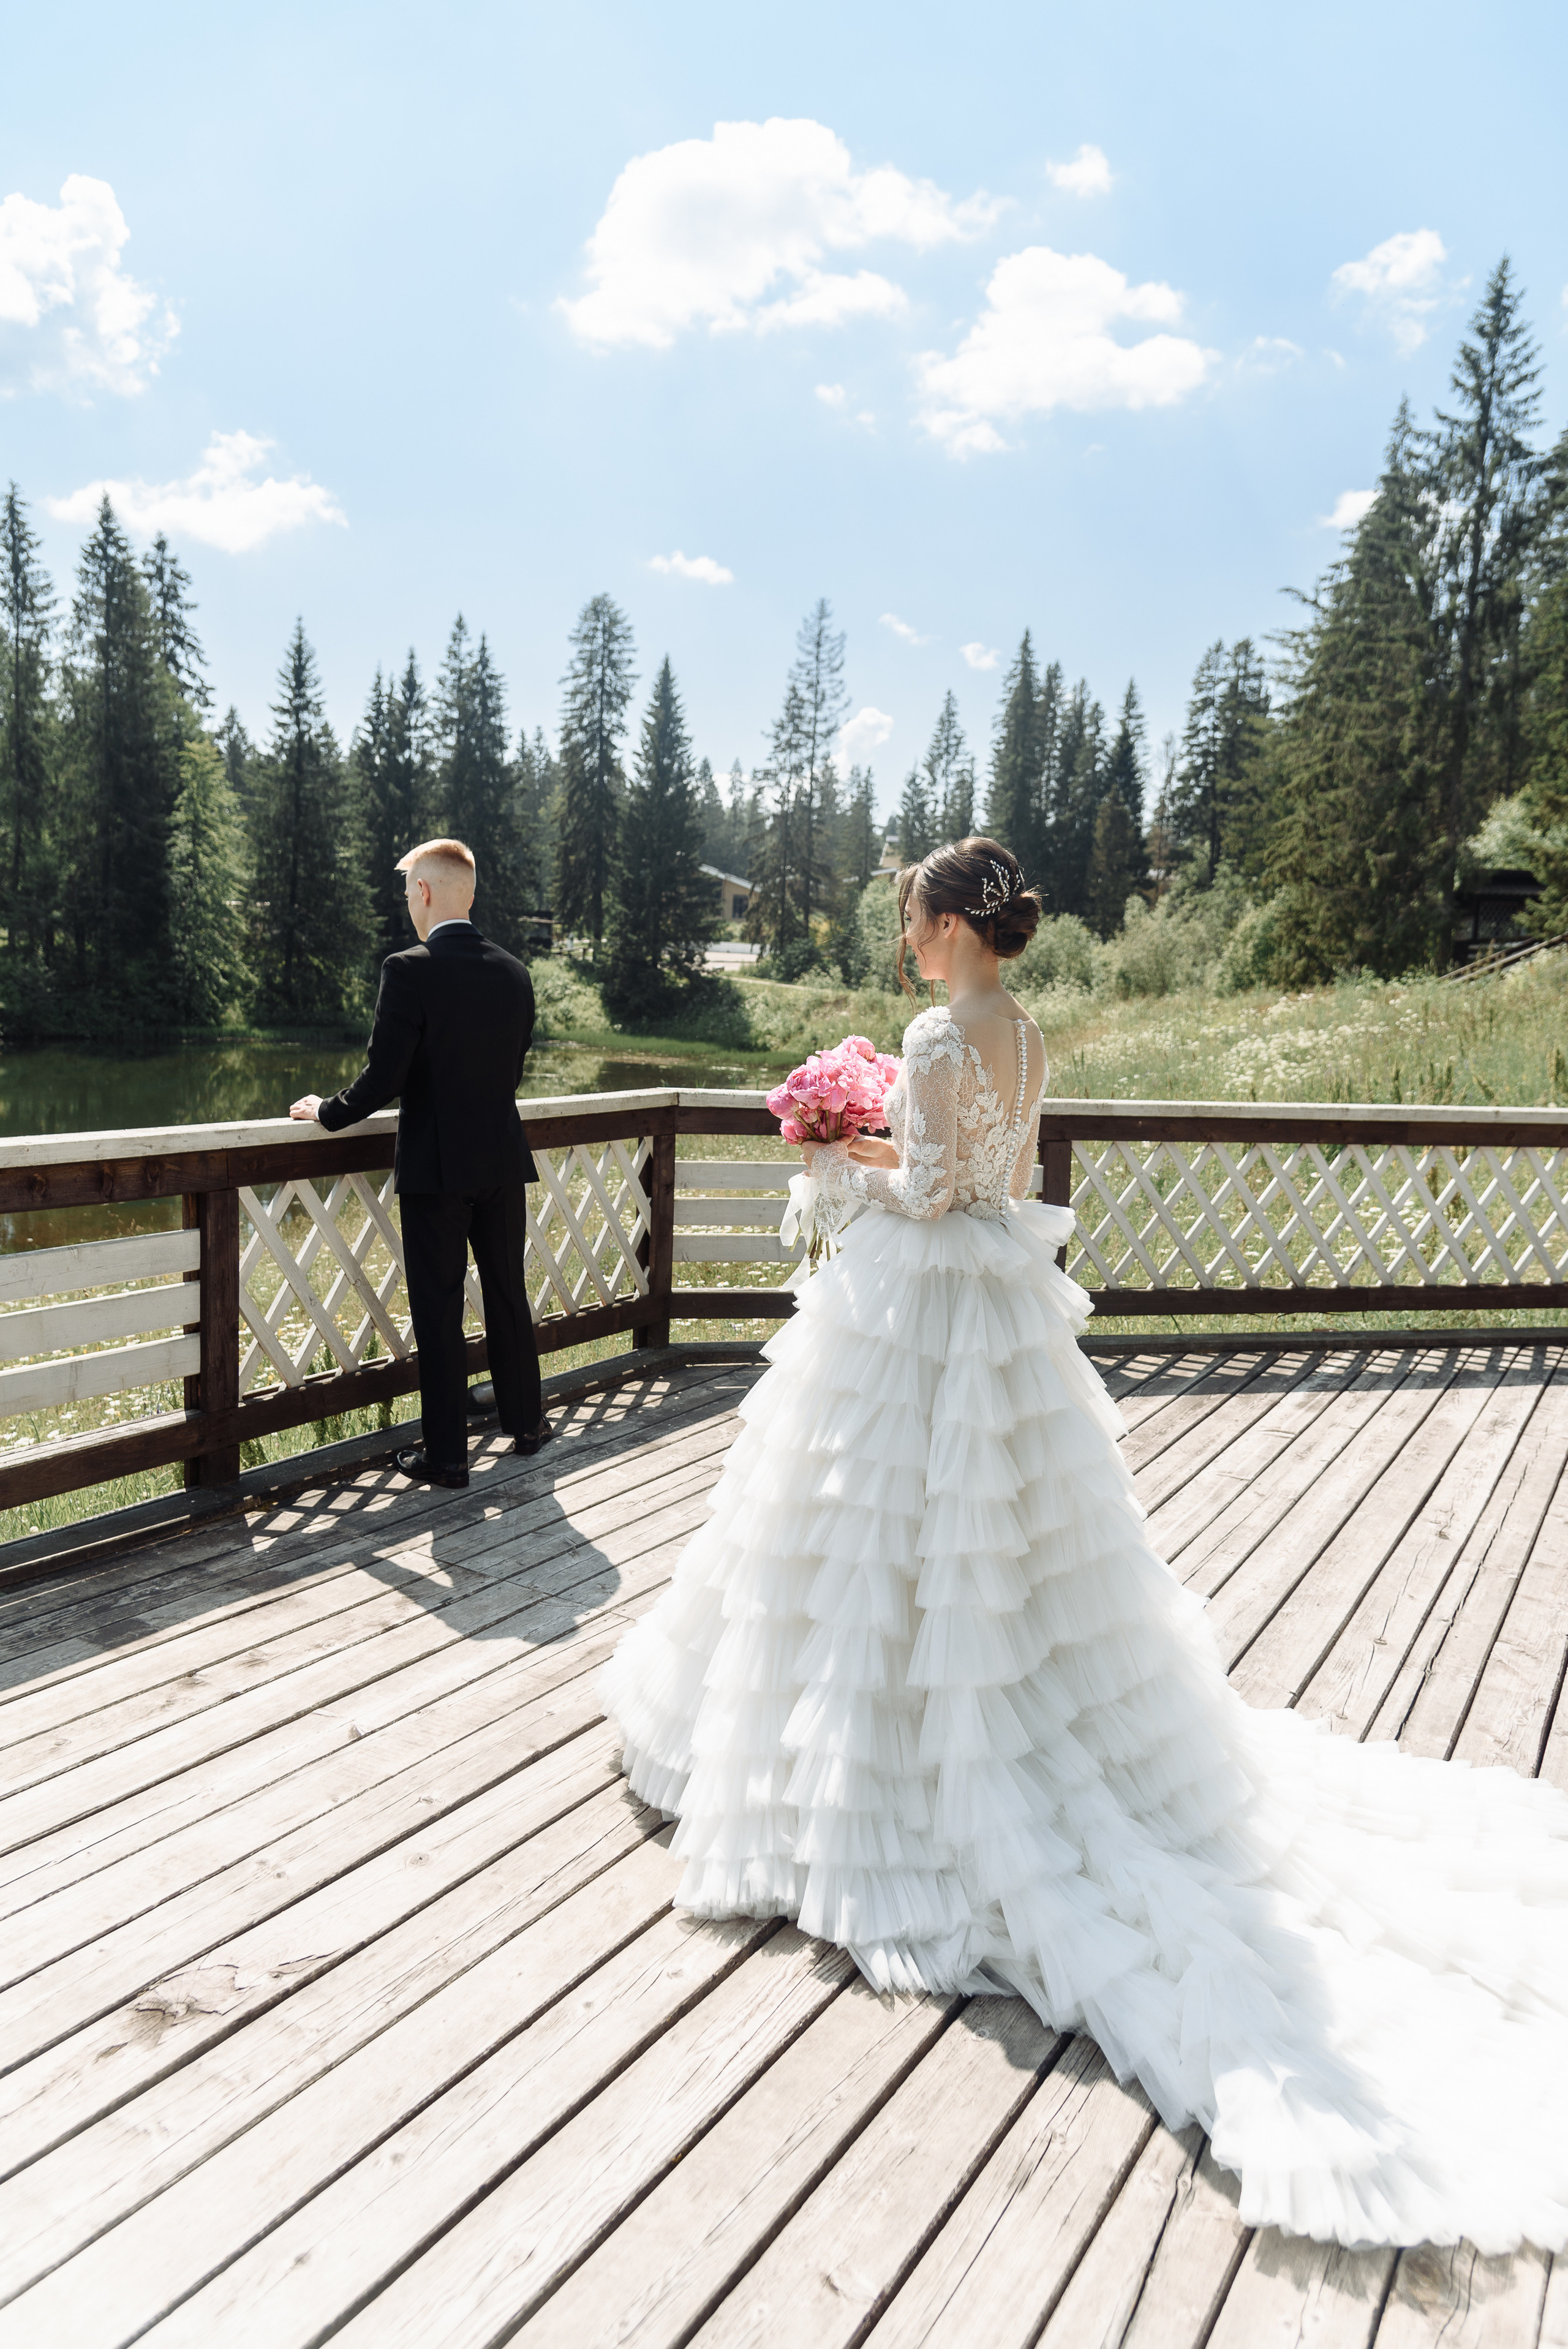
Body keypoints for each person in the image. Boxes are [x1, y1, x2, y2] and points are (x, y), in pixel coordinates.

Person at [603, 834, 1568, 2253]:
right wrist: (880, 1142)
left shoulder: (935, 1034)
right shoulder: (1026, 1028)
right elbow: (986, 1172)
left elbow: (927, 1190)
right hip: (1001, 1293)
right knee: (997, 1536)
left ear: (949, 923)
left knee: (875, 1522)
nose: (906, 939)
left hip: (923, 1296)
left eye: (911, 919)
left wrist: (835, 1146)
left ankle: (888, 1750)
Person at [289, 836, 549, 1488]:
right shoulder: (515, 972)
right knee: (507, 1295)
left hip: (437, 1166)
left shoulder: (408, 969)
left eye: (409, 892)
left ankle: (448, 1456)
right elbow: (511, 1068)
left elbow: (384, 1078)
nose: (408, 904)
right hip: (501, 1157)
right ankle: (527, 1426)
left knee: (438, 1308)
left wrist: (326, 1111)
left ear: (425, 892)